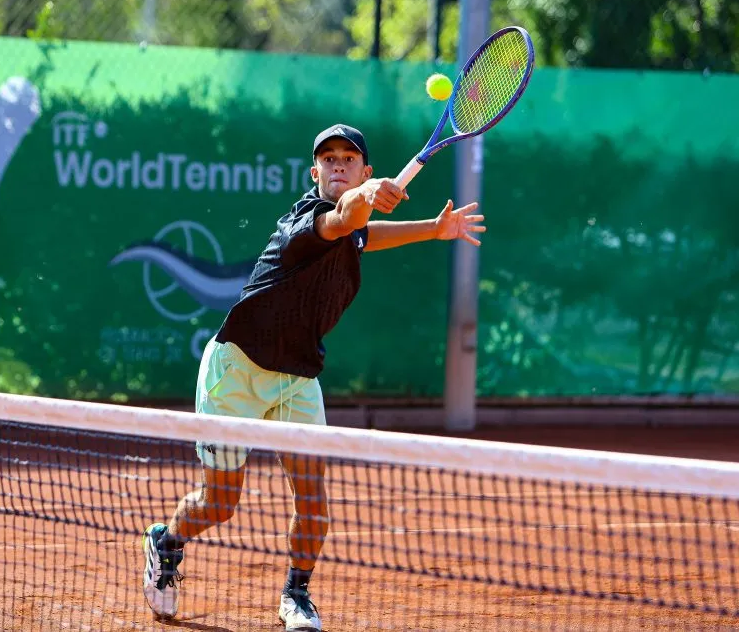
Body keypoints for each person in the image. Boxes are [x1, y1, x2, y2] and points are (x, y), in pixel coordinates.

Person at [141, 123, 486, 630]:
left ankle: (296, 595)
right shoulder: (306, 222)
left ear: (363, 168)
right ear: (315, 172)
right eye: (329, 158)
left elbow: (364, 235)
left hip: (298, 376)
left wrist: (432, 229)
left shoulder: (354, 219)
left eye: (349, 158)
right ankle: (166, 542)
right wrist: (367, 193)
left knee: (314, 501)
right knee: (220, 503)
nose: (338, 164)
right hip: (237, 369)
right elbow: (347, 221)